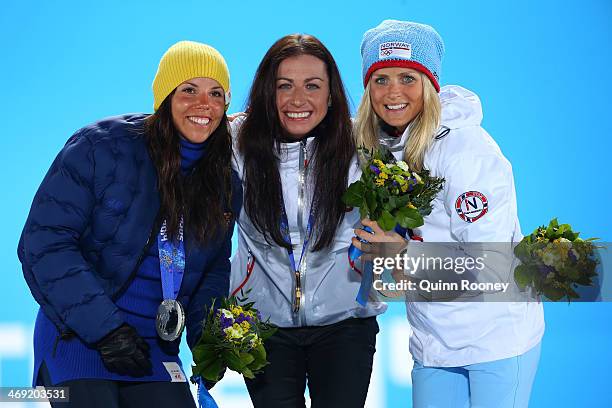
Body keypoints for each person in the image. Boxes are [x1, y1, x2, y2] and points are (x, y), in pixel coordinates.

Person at [18, 41, 241, 408]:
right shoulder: (101, 147)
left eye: (216, 94)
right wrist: (106, 330)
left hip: (154, 350)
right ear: (165, 97)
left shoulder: (224, 184)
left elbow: (212, 271)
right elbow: (44, 243)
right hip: (79, 337)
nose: (205, 104)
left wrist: (210, 344)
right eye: (189, 90)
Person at [352, 20, 545, 408]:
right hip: (433, 343)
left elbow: (491, 265)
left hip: (496, 337)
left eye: (408, 77)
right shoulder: (378, 147)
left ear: (430, 83)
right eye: (380, 79)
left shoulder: (468, 151)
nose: (393, 93)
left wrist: (402, 258)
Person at [229, 34, 385, 408]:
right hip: (263, 326)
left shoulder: (362, 145)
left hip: (346, 322)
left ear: (331, 94)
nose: (298, 99)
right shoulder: (235, 142)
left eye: (312, 86)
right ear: (268, 92)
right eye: (285, 86)